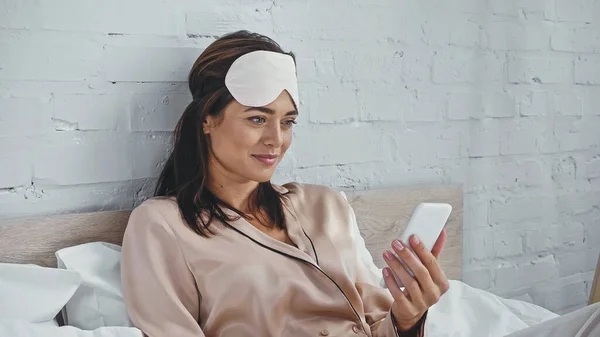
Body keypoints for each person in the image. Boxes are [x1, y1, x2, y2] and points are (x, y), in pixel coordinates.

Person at [120, 30, 450, 337]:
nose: (276, 140)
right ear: (208, 120)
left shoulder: (326, 206)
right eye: (257, 119)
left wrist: (407, 319)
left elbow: (376, 324)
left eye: (287, 121)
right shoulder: (163, 225)